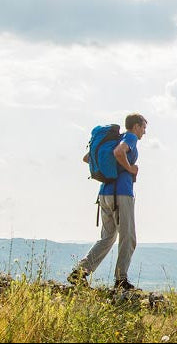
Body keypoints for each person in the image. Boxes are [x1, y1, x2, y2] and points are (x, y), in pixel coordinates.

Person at [68, 113, 147, 290]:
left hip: (104, 193)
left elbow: (87, 158)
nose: (144, 132)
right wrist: (130, 169)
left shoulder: (111, 139)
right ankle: (121, 279)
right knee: (128, 237)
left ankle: (79, 272)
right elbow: (119, 152)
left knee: (108, 237)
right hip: (122, 193)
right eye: (143, 128)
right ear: (135, 126)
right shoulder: (130, 137)